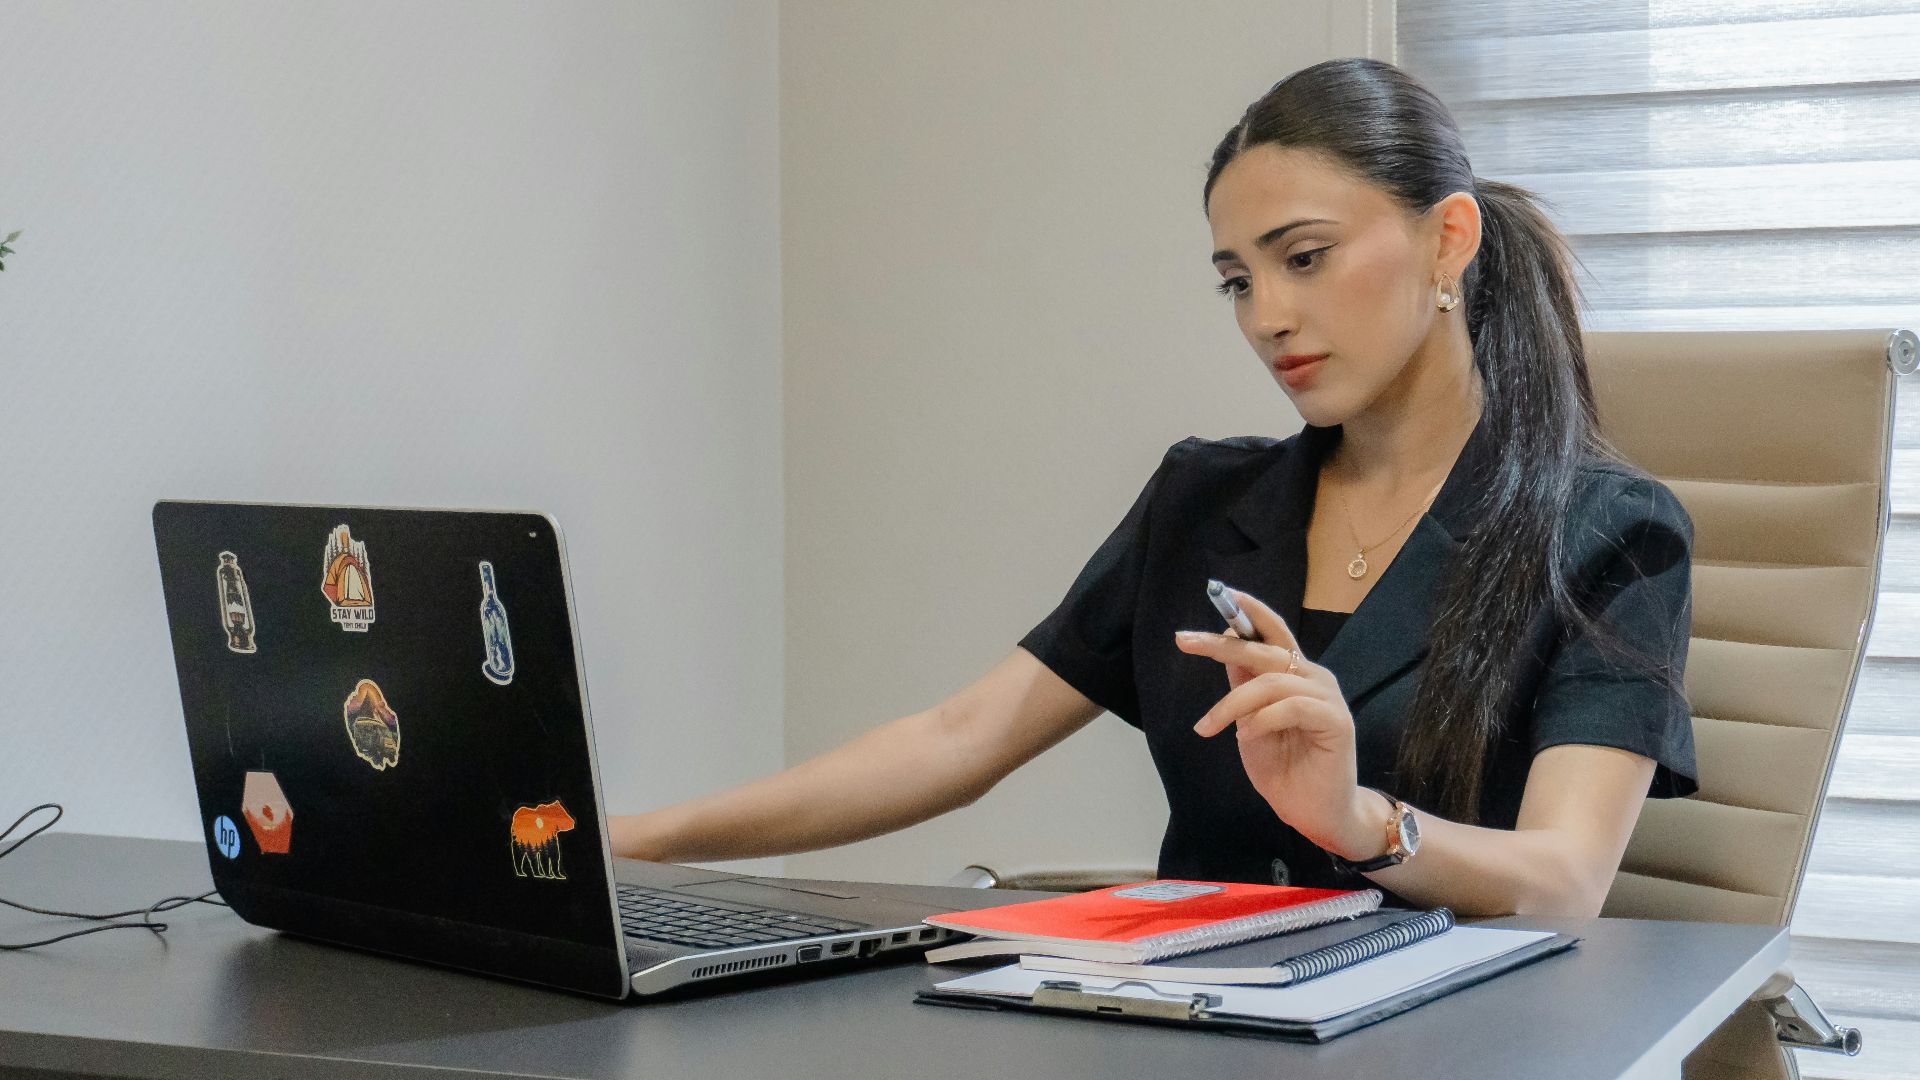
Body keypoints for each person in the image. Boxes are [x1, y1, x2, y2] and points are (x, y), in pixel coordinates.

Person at [608, 57, 1696, 918]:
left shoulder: (1608, 531)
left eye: (1303, 257)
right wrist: (634, 842)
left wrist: (1363, 819)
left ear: (1446, 238)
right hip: (1196, 1029)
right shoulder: (1201, 503)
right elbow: (958, 738)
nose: (1266, 315)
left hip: (1453, 1042)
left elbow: (1565, 881)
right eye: (1237, 279)